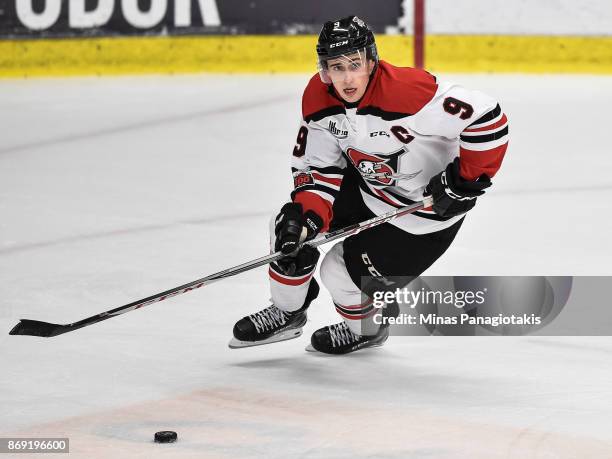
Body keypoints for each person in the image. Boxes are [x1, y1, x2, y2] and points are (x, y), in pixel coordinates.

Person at [229, 15, 508, 354]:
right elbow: (318, 169)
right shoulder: (319, 99)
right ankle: (287, 312)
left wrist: (464, 183)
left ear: (371, 61)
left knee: (340, 273)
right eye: (336, 67)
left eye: (354, 64)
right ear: (324, 69)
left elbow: (487, 117)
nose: (346, 78)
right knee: (291, 229)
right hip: (368, 188)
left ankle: (365, 329)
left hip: (425, 215)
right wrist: (312, 217)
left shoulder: (408, 92)